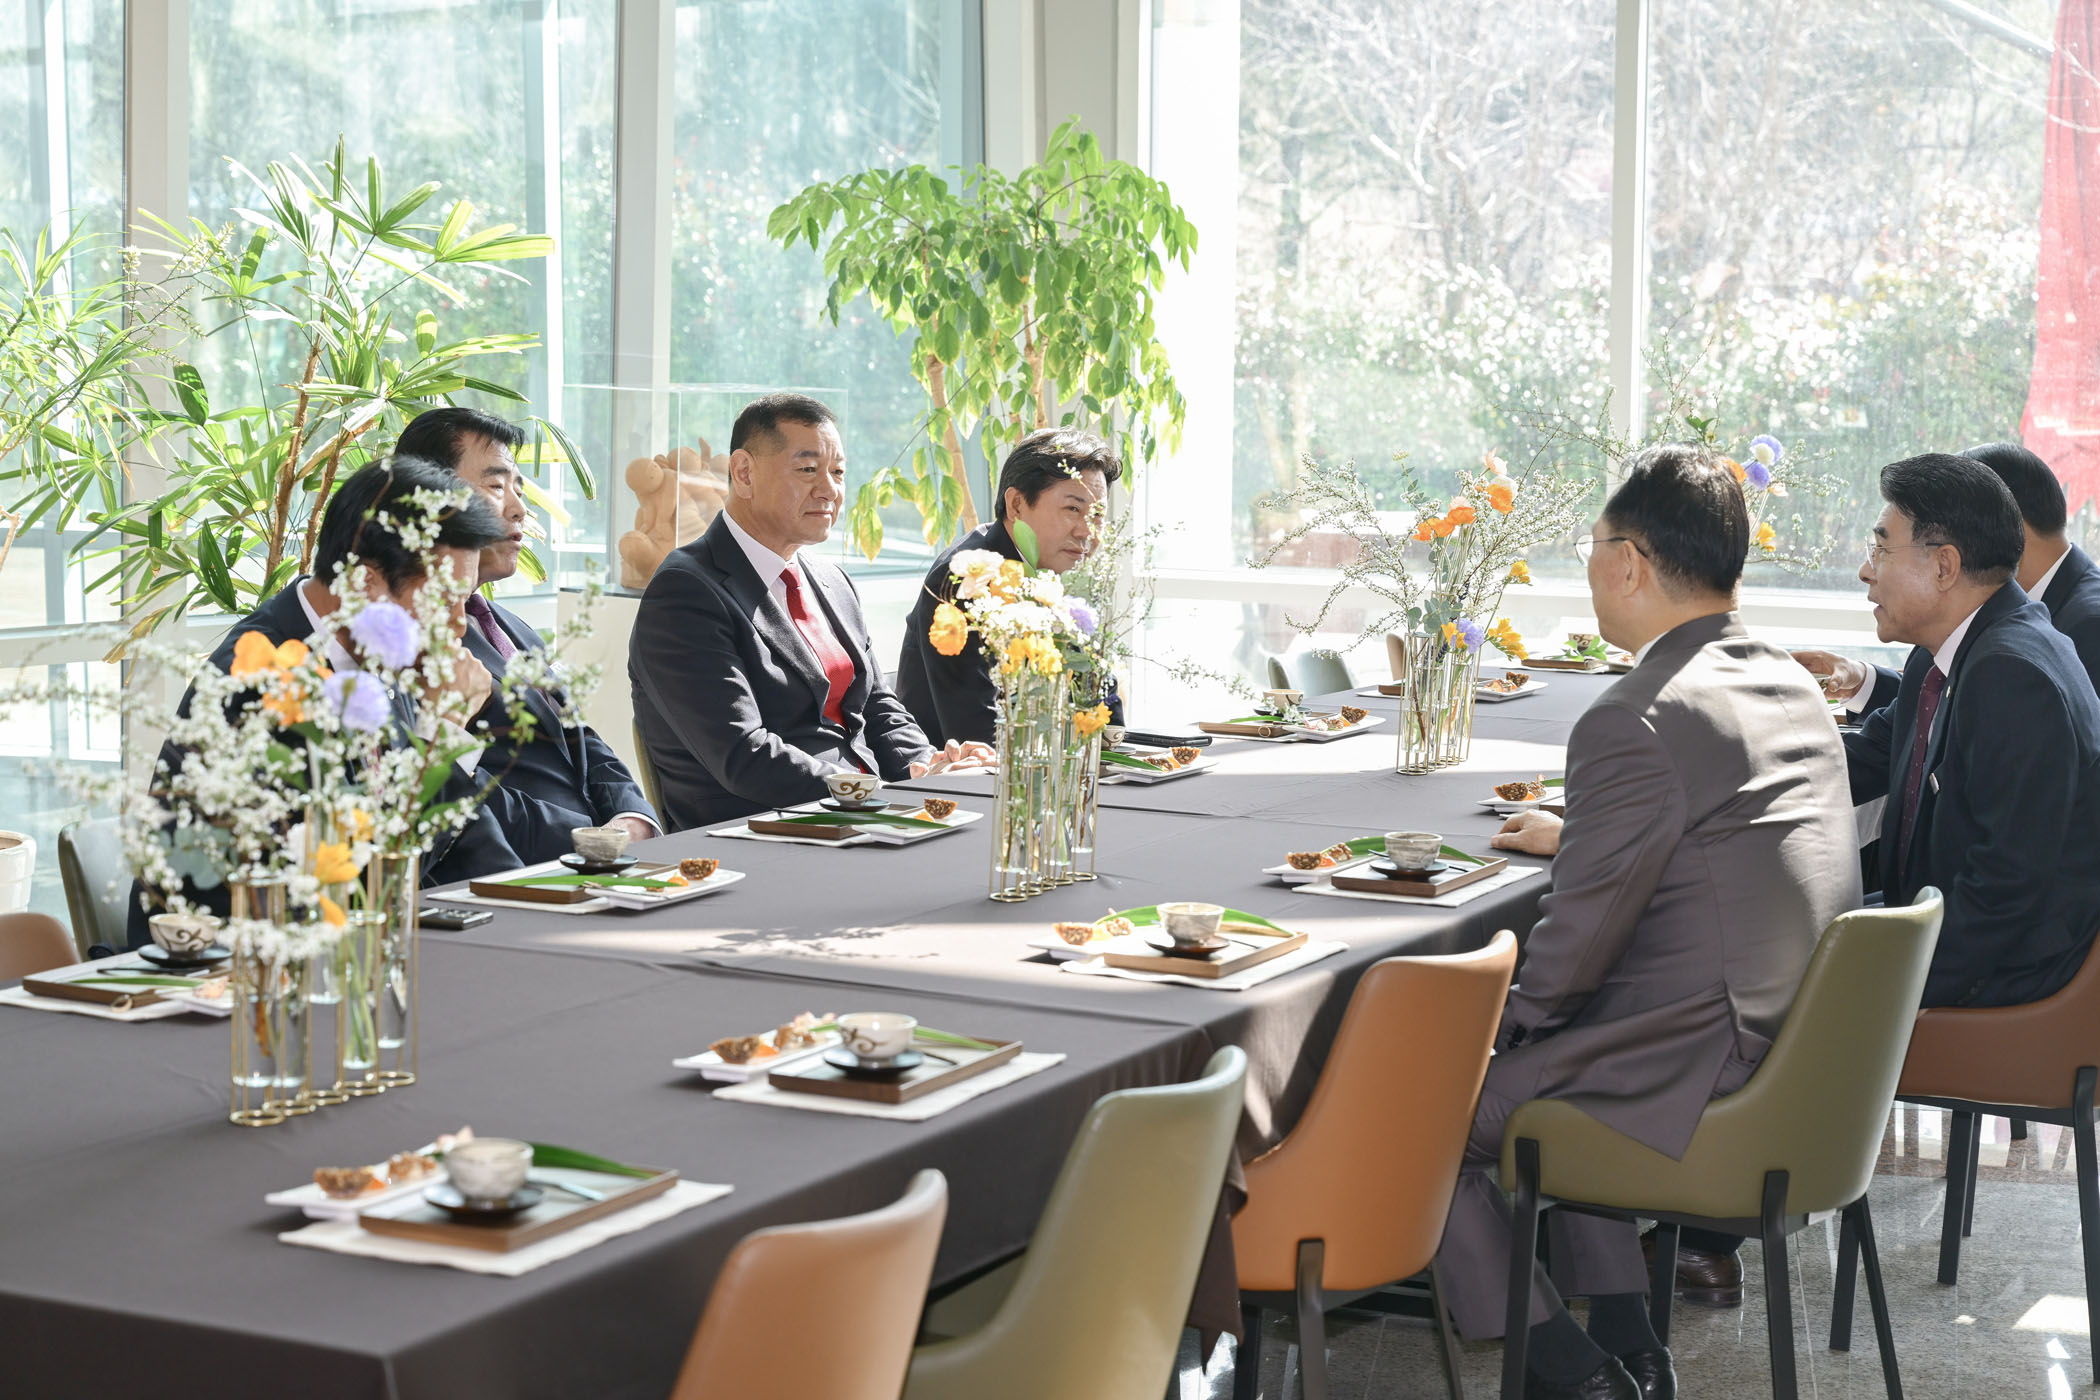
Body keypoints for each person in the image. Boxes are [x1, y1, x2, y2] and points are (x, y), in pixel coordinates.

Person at [1437, 445, 1860, 1400]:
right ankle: (1633, 1345)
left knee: (1415, 1112)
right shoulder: (1788, 681)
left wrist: (1485, 1043)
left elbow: (1571, 957)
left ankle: (1571, 1371)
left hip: (1699, 1075)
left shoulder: (1637, 716)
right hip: (1802, 1062)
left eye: (1590, 547)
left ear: (1628, 561)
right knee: (1578, 1041)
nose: (1587, 567)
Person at [126, 458, 523, 946]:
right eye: (444, 600)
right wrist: (444, 736)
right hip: (232, 964)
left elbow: (467, 841)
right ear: (364, 583)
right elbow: (358, 887)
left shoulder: (376, 646)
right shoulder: (258, 681)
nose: (460, 625)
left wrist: (529, 921)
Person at [629, 394, 989, 830]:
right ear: (744, 473)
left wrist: (927, 766)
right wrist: (878, 796)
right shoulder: (685, 592)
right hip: (764, 831)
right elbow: (743, 754)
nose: (830, 490)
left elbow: (877, 705)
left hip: (862, 816)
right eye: (807, 470)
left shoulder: (831, 580)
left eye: (838, 472)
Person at [1837, 453, 2100, 1006]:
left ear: (1944, 566)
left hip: (2015, 970)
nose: (1866, 570)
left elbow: (2005, 886)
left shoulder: (2014, 673)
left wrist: (1894, 987)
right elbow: (1871, 754)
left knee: (1779, 984)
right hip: (1943, 917)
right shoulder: (1945, 651)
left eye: (1880, 549)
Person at [393, 407, 659, 863]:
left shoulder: (509, 626)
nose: (519, 509)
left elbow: (581, 741)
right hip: (515, 871)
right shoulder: (404, 637)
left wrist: (632, 818)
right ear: (431, 498)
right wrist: (590, 840)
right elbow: (456, 791)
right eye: (497, 487)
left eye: (519, 488)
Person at [1800, 441, 2100, 709]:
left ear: (2004, 521)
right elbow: (1937, 711)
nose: (1866, 571)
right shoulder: (1963, 618)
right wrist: (1864, 681)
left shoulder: (2088, 625)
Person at [894, 427, 1124, 746]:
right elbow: (976, 735)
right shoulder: (966, 579)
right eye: (1073, 508)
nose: (1088, 531)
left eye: (1097, 514)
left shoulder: (1052, 571)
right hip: (962, 773)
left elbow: (1106, 712)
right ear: (1016, 505)